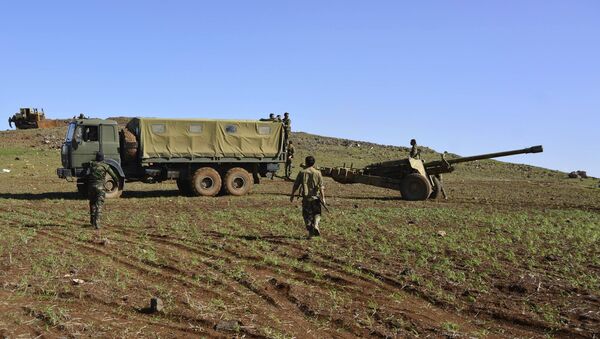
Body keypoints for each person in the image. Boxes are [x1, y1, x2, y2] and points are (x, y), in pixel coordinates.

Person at [290, 156, 325, 238]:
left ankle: (310, 233)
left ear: (306, 162)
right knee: (317, 213)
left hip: (306, 199)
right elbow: (321, 187)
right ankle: (316, 224)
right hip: (316, 198)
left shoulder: (302, 172)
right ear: (314, 163)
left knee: (306, 215)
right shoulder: (318, 173)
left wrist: (292, 195)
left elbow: (296, 185)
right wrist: (323, 198)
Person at [87, 152, 119, 229]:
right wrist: (117, 182)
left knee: (92, 203)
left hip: (91, 187)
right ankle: (97, 224)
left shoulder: (92, 164)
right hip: (100, 188)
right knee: (99, 205)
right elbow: (113, 175)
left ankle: (92, 222)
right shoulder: (105, 166)